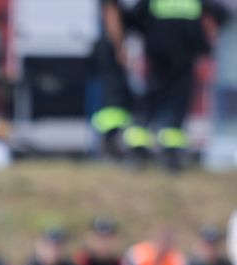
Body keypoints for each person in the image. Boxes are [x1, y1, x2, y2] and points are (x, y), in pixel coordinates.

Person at [119, 0, 228, 170]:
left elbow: (132, 19)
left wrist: (148, 33)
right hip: (183, 60)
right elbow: (222, 14)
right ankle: (169, 156)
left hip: (158, 59)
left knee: (149, 104)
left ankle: (138, 153)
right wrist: (207, 36)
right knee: (176, 106)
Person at [88, 0, 134, 156]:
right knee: (114, 99)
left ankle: (110, 144)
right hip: (113, 47)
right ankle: (110, 145)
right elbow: (111, 14)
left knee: (113, 99)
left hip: (111, 45)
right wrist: (119, 48)